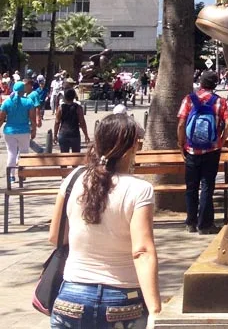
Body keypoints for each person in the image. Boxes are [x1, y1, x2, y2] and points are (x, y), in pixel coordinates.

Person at [48, 113, 161, 327]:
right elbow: (142, 252)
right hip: (121, 300)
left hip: (71, 296)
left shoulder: (73, 180)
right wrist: (155, 310)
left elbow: (55, 237)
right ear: (131, 148)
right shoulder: (140, 190)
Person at [177, 70, 228, 234]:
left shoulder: (189, 99)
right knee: (207, 186)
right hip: (211, 151)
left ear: (200, 83)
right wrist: (220, 141)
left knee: (191, 187)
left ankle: (191, 222)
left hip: (191, 150)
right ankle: (205, 224)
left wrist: (181, 143)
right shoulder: (220, 102)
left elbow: (181, 124)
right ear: (215, 85)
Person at [0, 80, 36, 183]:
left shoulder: (7, 102)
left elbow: (1, 118)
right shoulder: (28, 101)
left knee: (11, 153)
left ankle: (11, 176)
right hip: (24, 131)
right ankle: (22, 174)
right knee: (24, 153)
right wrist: (34, 130)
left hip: (9, 131)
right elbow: (32, 118)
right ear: (23, 90)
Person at [54, 87, 90, 152]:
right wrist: (86, 135)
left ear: (64, 96)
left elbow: (57, 122)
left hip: (63, 133)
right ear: (74, 97)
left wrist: (55, 135)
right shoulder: (78, 108)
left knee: (64, 156)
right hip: (75, 133)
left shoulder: (60, 108)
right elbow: (82, 122)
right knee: (76, 156)